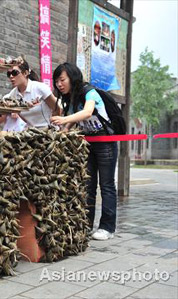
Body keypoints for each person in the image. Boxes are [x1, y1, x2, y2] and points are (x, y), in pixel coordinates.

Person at [50, 62, 117, 241]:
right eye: (56, 81)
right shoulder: (72, 99)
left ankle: (107, 227)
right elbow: (69, 125)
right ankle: (86, 225)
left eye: (62, 79)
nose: (59, 84)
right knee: (88, 185)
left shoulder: (89, 92)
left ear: (72, 78)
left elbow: (87, 113)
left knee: (107, 185)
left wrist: (63, 119)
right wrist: (61, 134)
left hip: (106, 143)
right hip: (89, 144)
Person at [0, 59, 59, 131]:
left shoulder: (40, 88)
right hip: (30, 132)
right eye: (8, 74)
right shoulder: (12, 96)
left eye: (15, 73)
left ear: (25, 73)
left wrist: (53, 125)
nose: (11, 76)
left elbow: (57, 109)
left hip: (49, 130)